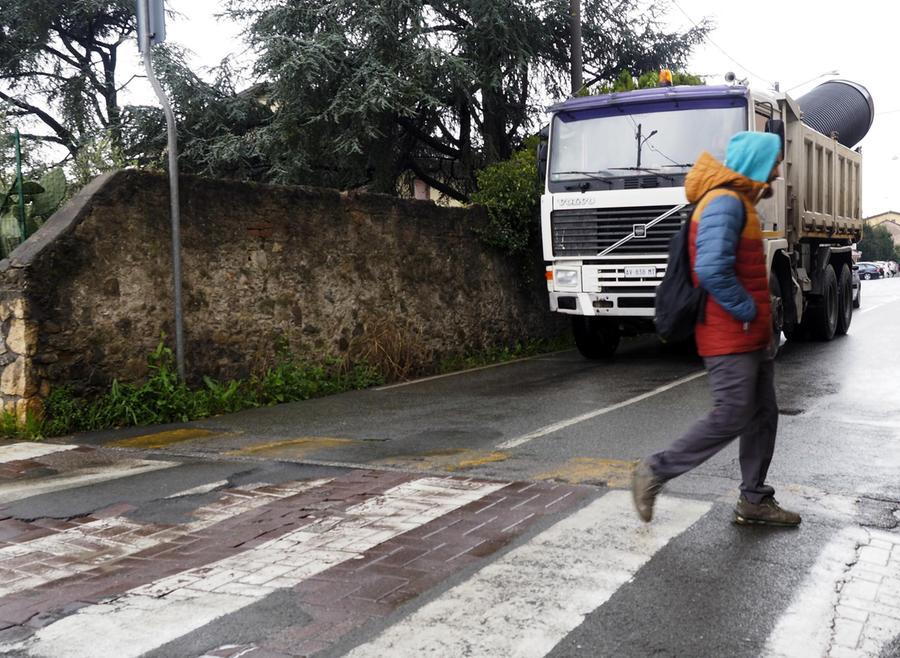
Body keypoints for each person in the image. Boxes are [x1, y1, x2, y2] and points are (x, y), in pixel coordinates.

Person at [632, 131, 801, 527]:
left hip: (749, 334)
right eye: (774, 164)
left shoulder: (739, 201)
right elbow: (710, 267)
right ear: (757, 165)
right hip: (729, 334)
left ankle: (754, 500)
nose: (777, 172)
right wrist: (745, 309)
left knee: (761, 415)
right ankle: (654, 471)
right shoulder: (724, 202)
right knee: (731, 414)